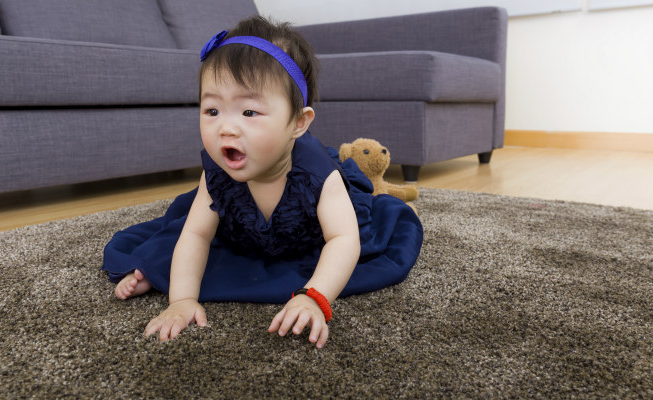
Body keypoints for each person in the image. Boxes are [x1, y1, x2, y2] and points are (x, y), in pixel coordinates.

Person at [102, 16, 423, 349]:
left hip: (308, 237)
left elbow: (343, 239)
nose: (225, 128)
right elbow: (197, 234)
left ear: (298, 122)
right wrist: (181, 299)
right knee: (176, 237)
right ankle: (154, 273)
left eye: (249, 113)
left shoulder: (318, 175)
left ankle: (159, 272)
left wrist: (314, 297)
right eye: (212, 110)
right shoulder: (216, 170)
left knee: (378, 239)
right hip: (243, 231)